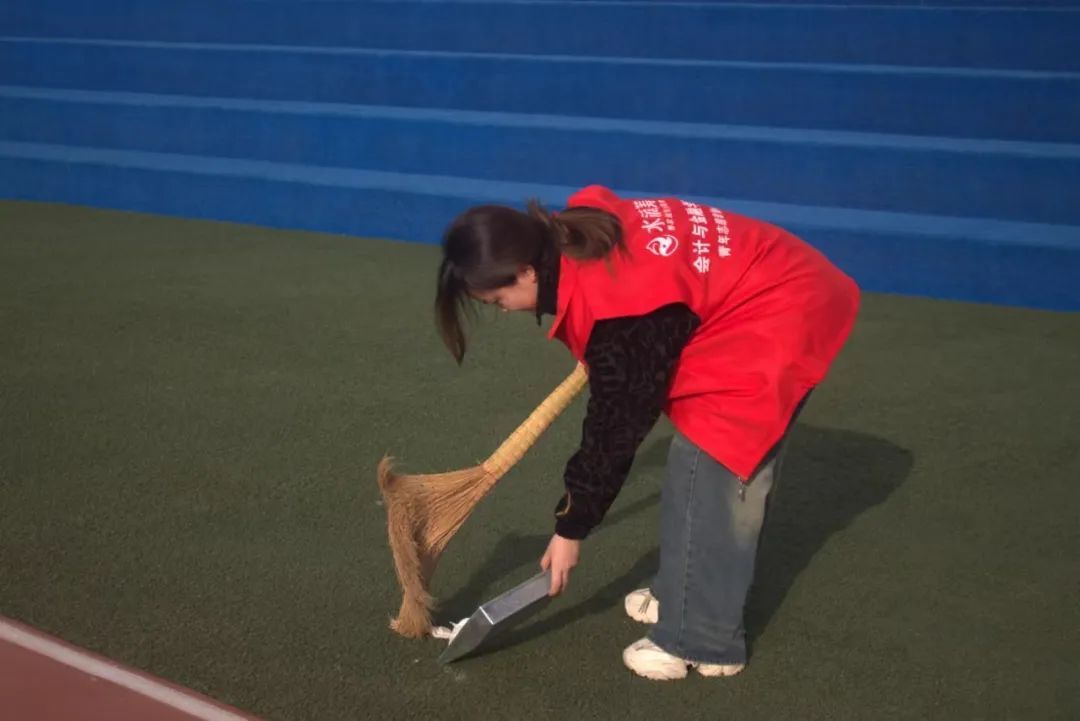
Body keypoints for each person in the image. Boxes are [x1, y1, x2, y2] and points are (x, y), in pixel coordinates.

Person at [434, 185, 860, 680]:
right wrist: (613, 354)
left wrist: (571, 527)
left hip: (780, 307)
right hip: (760, 280)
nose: (504, 309)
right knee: (695, 467)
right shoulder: (573, 230)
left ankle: (703, 640)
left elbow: (615, 430)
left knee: (715, 467)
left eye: (498, 298)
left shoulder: (621, 313)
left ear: (527, 271)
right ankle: (682, 593)